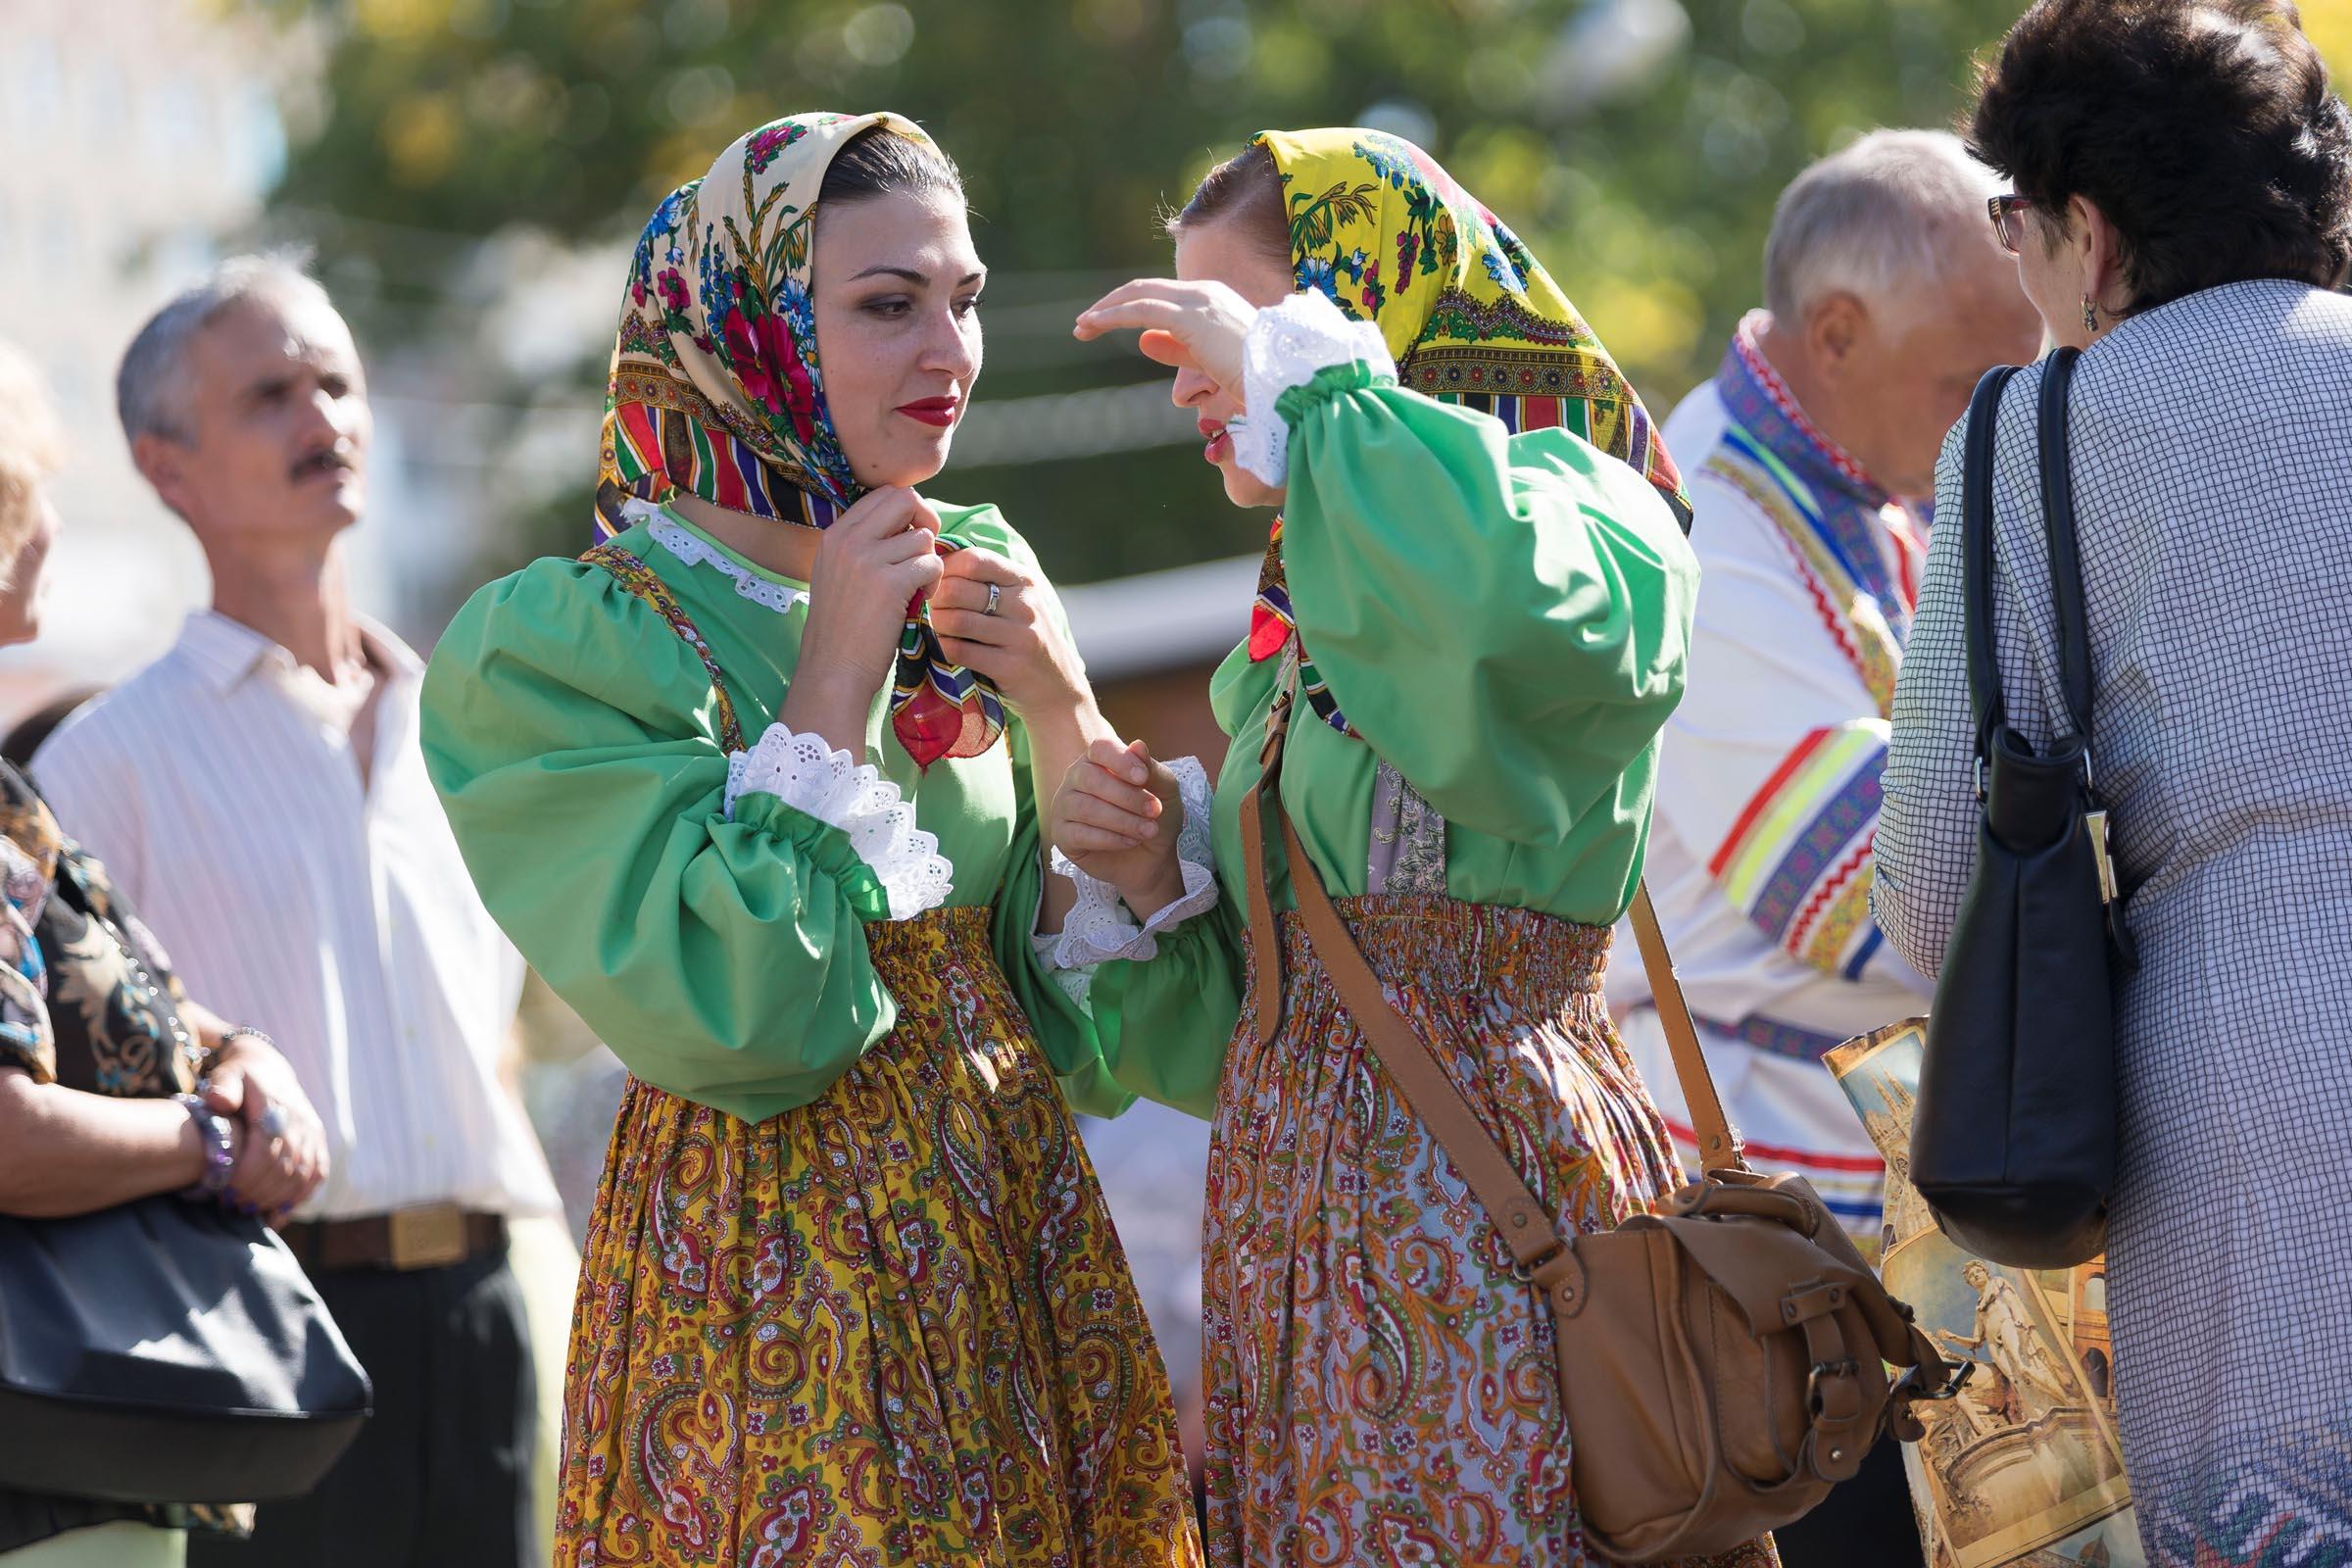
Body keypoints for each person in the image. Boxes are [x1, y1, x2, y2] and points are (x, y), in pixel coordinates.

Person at [418, 113, 1202, 1565]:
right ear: (752, 326)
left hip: (1014, 1254)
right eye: (887, 306)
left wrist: (1066, 717)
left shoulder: (977, 574)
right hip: (768, 1287)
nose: (951, 353)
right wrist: (834, 672)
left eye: (962, 300)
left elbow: (1117, 1036)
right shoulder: (563, 647)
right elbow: (741, 1015)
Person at [1061, 128, 1776, 1566]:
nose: (1193, 375)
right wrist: (1154, 884)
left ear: (1370, 326)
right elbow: (1272, 1031)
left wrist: (1312, 394)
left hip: (1494, 1221)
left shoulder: (1584, 511)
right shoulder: (1311, 600)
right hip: (1305, 1256)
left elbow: (1510, 626)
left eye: (1233, 324)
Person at [1872, 0, 2352, 1558]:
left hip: (2246, 1103)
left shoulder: (2033, 437)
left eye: (2013, 218)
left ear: (2087, 226)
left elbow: (1937, 881)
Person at [29, 258, 564, 1567]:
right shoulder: (103, 764)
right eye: (271, 393)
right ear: (165, 466)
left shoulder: (471, 731)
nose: (324, 419)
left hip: (491, 1315)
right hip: (262, 1327)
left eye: (338, 381)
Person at [1610, 130, 2041, 1251]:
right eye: (1969, 386)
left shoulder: (1869, 471)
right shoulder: (1698, 529)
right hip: (1793, 1223)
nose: (2000, 420)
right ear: (1838, 331)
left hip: (1871, 1170)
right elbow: (1880, 901)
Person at [0, 346, 329, 1563]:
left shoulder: (11, 800)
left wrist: (246, 1051)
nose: (54, 528)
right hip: (38, 1482)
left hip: (86, 1463)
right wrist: (215, 1144)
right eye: (34, 489)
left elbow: (119, 1001)